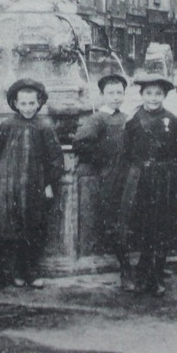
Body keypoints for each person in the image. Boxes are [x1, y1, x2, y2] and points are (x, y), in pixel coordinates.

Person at [102, 75, 177, 296]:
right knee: (142, 226)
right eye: (149, 94)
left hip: (164, 180)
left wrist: (172, 174)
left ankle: (158, 275)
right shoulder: (133, 121)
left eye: (158, 94)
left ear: (164, 96)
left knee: (162, 227)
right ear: (142, 95)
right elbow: (125, 152)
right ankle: (142, 273)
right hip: (139, 179)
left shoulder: (172, 121)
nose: (153, 98)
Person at [0, 78, 64, 288]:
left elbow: (56, 159)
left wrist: (49, 183)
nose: (28, 108)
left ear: (39, 102)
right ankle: (15, 271)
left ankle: (30, 271)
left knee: (34, 229)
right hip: (10, 188)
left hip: (34, 187)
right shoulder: (7, 126)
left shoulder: (44, 127)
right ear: (15, 103)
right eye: (23, 104)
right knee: (11, 229)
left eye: (32, 103)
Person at [74, 74, 132, 288]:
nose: (115, 97)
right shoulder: (98, 119)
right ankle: (125, 269)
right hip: (110, 177)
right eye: (111, 93)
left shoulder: (127, 118)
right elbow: (80, 143)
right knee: (115, 222)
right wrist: (103, 159)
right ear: (102, 95)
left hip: (130, 176)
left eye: (119, 93)